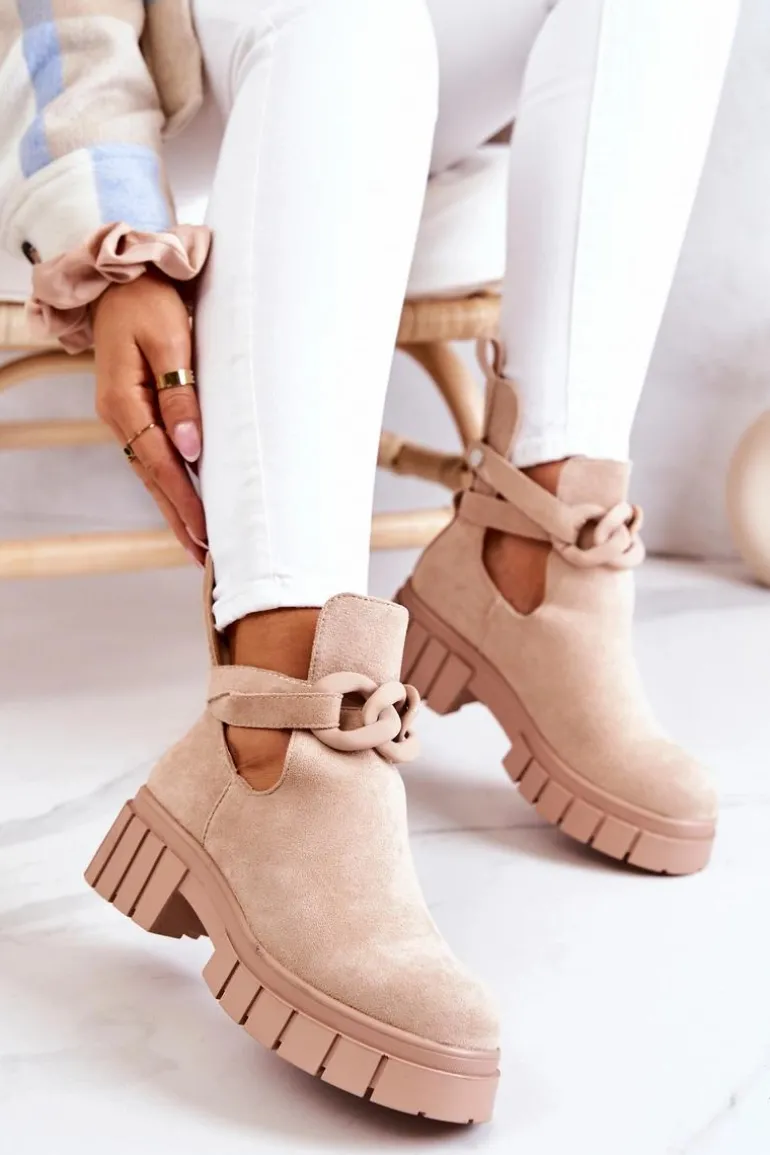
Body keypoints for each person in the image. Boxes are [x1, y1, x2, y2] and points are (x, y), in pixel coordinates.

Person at [1, 0, 740, 1125]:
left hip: (354, 94)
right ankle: (278, 727)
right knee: (348, 17)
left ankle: (536, 556)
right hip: (109, 91)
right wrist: (116, 238)